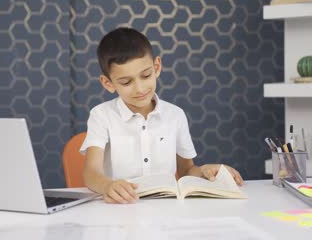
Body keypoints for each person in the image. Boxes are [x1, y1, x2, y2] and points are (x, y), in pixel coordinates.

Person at [80, 27, 243, 204]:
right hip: (122, 208)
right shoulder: (101, 115)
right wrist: (107, 186)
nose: (140, 89)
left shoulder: (175, 115)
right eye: (126, 82)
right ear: (108, 83)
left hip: (166, 210)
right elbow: (91, 173)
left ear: (156, 67)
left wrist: (205, 170)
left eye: (146, 75)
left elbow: (187, 171)